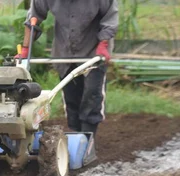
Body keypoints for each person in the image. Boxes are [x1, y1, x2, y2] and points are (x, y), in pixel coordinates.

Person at [18, 0, 119, 137]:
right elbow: (33, 19)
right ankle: (76, 136)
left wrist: (104, 43)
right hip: (64, 51)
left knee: (92, 95)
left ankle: (88, 138)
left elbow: (110, 18)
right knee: (71, 97)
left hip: (93, 51)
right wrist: (25, 49)